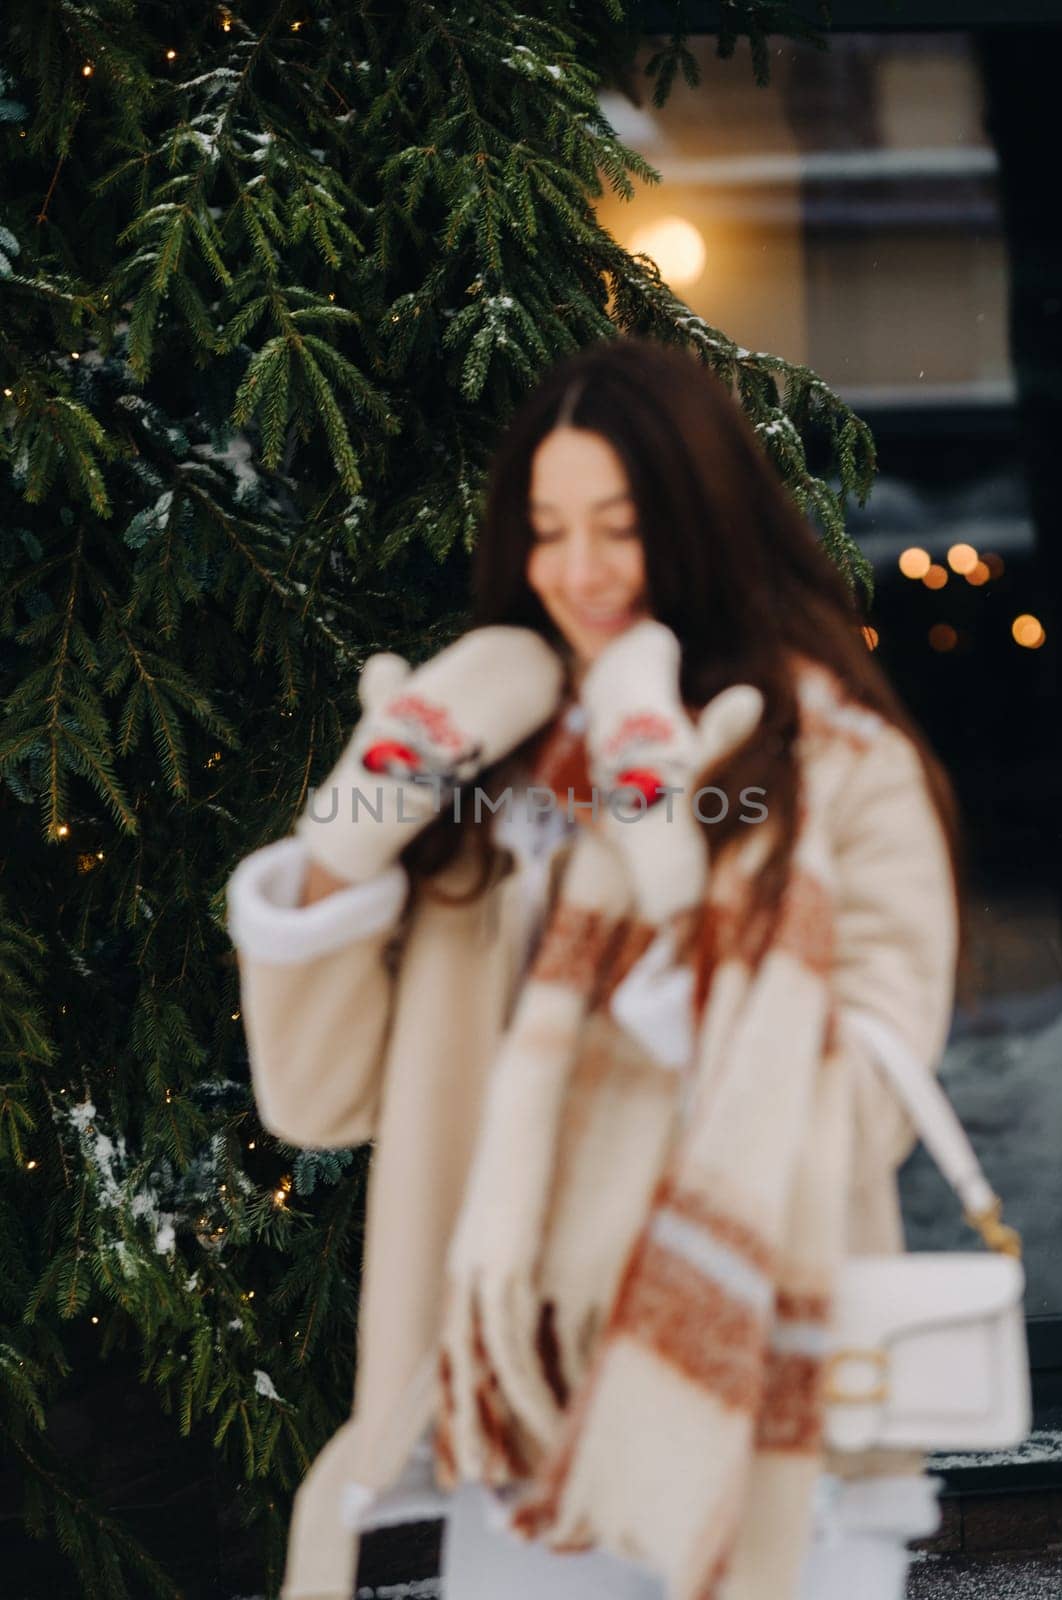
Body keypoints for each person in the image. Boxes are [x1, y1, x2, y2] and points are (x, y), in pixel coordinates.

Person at [225, 336, 961, 1600]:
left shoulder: (831, 762)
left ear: (698, 525)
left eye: (617, 528)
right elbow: (325, 1098)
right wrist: (362, 812)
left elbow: (864, 1104)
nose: (576, 573)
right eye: (546, 530)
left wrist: (662, 817)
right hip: (526, 1415)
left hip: (764, 1413)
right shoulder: (495, 768)